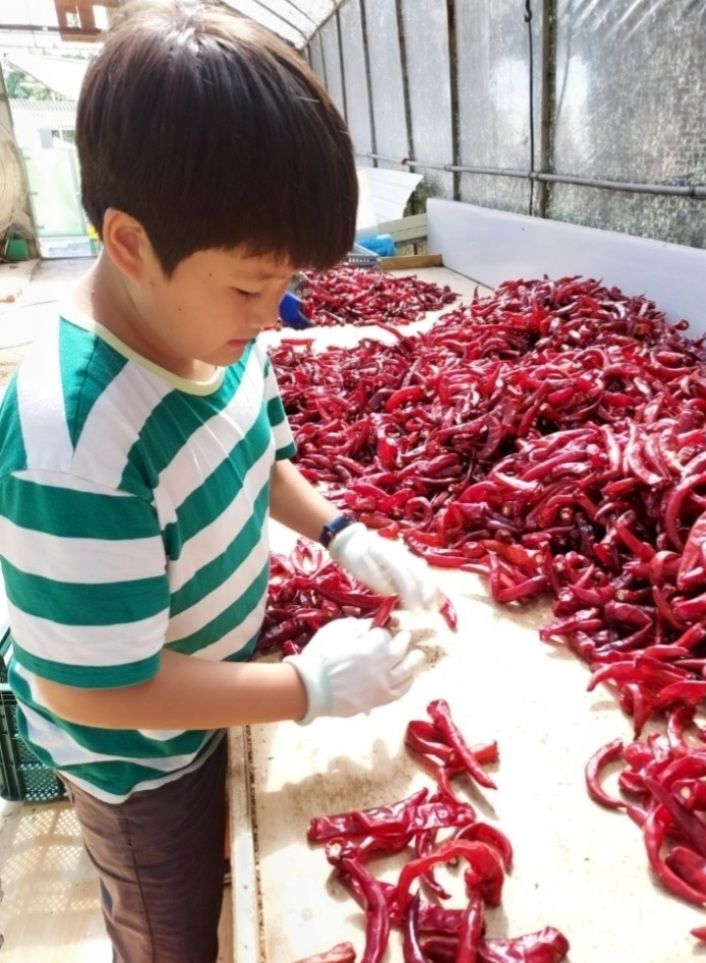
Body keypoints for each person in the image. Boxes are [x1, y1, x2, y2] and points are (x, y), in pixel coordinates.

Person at [0, 3, 438, 961]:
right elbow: (97, 693)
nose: (273, 315)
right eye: (250, 285)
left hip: (210, 691)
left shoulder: (219, 335)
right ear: (129, 244)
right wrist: (303, 688)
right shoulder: (73, 441)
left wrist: (343, 533)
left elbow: (262, 457)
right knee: (172, 933)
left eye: (283, 283)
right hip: (139, 765)